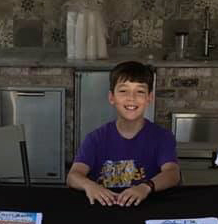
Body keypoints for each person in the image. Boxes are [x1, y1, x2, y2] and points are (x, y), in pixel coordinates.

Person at [67, 61, 180, 206]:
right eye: (123, 91)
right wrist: (90, 186)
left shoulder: (162, 137)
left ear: (149, 98)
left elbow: (172, 173)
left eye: (139, 91)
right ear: (111, 97)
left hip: (145, 207)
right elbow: (73, 176)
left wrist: (145, 187)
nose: (131, 98)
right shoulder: (95, 138)